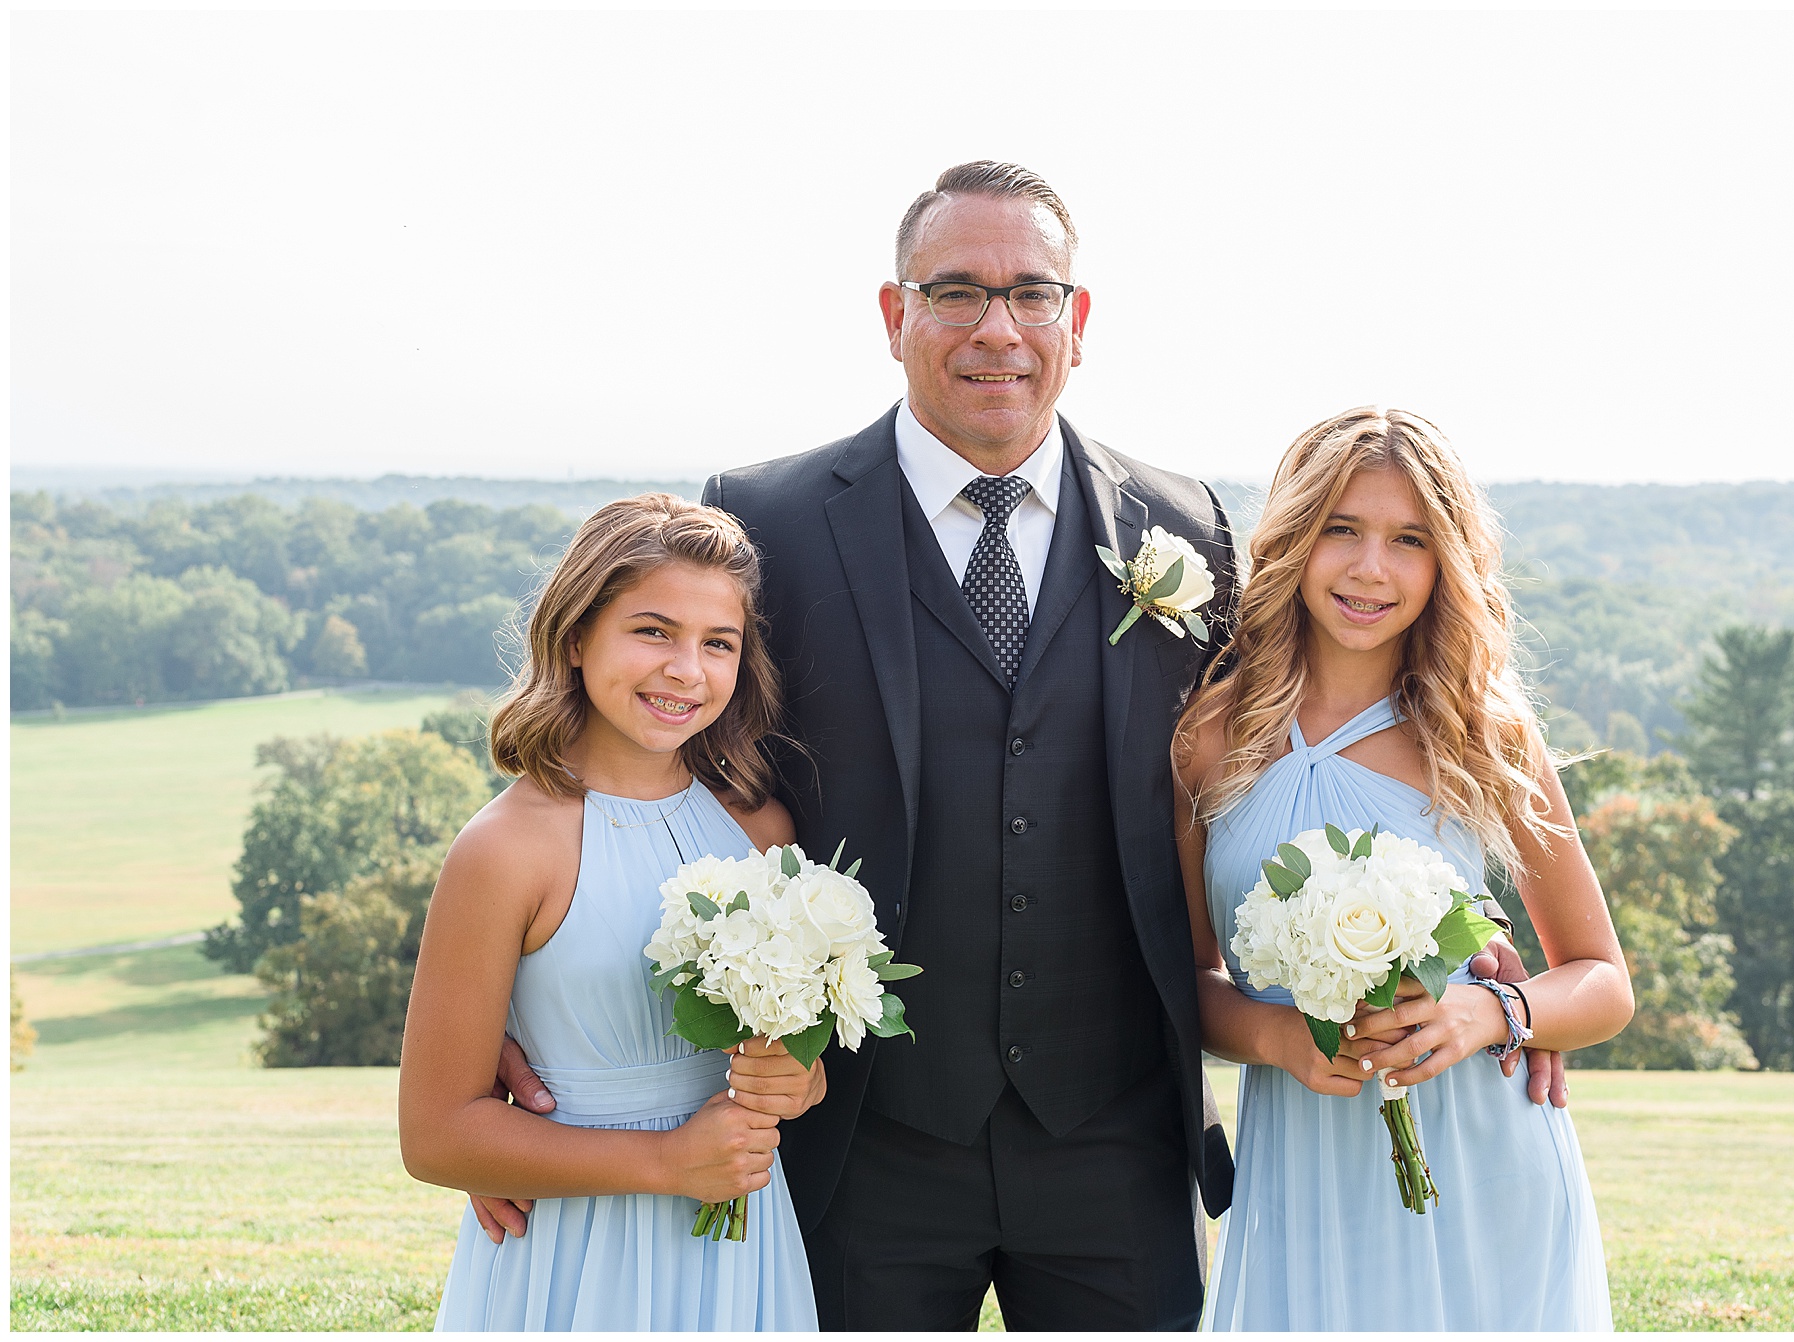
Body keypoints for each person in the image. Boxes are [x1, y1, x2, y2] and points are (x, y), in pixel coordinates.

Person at [476, 162, 1565, 1329]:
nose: (996, 327)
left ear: (1075, 321)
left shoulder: (1183, 524)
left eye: (1030, 293)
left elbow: (1286, 748)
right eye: (954, 292)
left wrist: (1467, 948)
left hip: (1117, 1140)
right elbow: (651, 744)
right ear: (895, 316)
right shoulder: (770, 516)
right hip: (856, 1138)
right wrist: (514, 995)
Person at [1177, 407, 1631, 1331]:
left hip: (1484, 1154)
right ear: (1295, 540)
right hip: (1302, 1161)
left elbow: (1605, 982)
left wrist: (1494, 1012)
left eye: (1408, 540)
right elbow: (1186, 980)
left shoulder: (1483, 734)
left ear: (1445, 564)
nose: (1370, 568)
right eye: (1341, 529)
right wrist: (1278, 1041)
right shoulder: (1207, 739)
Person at [399, 494, 822, 1330]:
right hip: (573, 1249)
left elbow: (788, 1061)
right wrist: (667, 1161)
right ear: (576, 638)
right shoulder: (507, 850)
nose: (686, 670)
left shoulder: (758, 830)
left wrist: (796, 1080)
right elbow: (436, 1134)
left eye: (719, 644)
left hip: (743, 1247)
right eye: (653, 631)